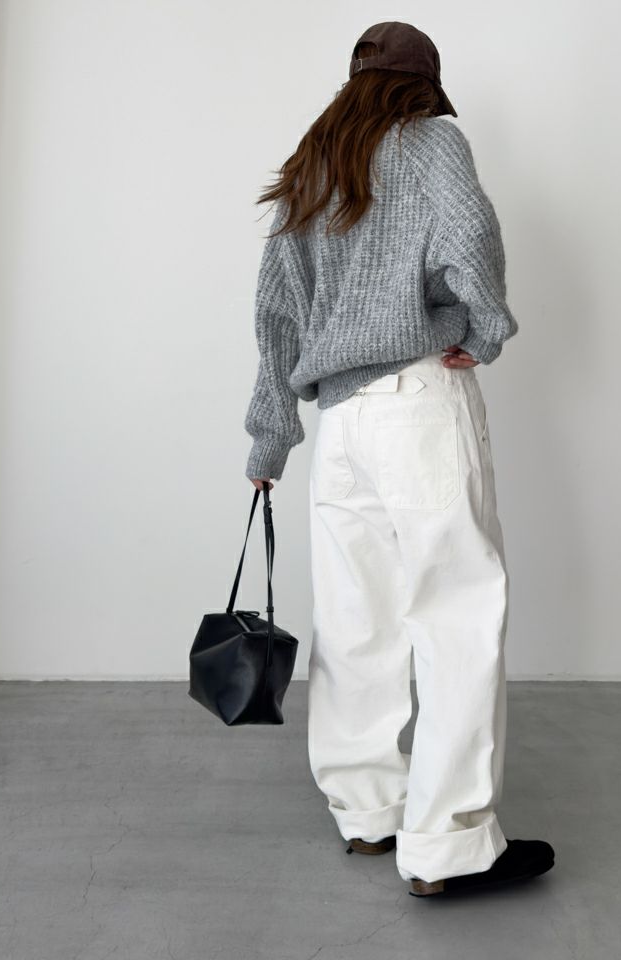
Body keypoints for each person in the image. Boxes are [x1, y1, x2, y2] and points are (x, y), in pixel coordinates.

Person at [243, 21, 555, 898]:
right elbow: (470, 235)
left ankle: (367, 811)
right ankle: (449, 845)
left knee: (356, 621)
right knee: (454, 615)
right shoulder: (429, 143)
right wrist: (484, 330)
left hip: (340, 425)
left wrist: (270, 435)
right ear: (423, 87)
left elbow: (276, 311)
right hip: (416, 404)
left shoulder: (311, 166)